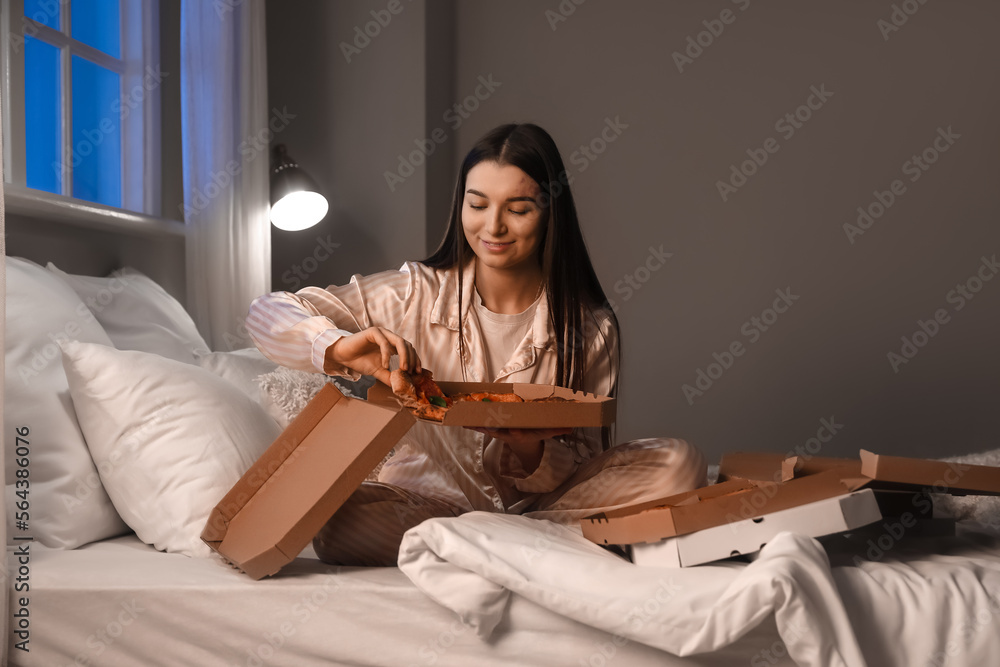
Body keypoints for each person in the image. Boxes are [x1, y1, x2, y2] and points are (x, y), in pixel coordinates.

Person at [247, 123, 706, 566]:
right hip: (431, 502)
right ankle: (521, 546)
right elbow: (265, 313)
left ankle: (484, 544)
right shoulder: (413, 292)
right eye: (478, 204)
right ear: (460, 206)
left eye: (519, 209)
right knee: (336, 521)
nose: (494, 227)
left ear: (550, 214)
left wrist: (531, 452)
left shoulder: (590, 327)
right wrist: (339, 347)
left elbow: (587, 463)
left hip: (547, 505)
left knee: (678, 464)